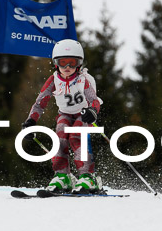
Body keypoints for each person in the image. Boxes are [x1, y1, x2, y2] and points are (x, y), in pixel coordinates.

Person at [22, 39, 103, 193]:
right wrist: (31, 121)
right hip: (64, 114)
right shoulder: (54, 80)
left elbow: (94, 100)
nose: (67, 67)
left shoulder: (82, 80)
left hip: (82, 114)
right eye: (62, 62)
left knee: (75, 136)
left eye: (72, 63)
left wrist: (92, 112)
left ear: (78, 63)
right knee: (60, 137)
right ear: (56, 63)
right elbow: (40, 103)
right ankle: (63, 176)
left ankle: (88, 176)